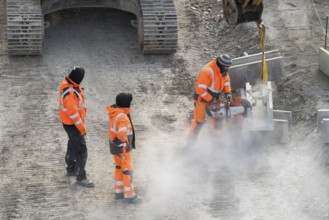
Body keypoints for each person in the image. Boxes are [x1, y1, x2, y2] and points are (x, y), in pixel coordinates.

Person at [58, 66, 94, 187]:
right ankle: (81, 177)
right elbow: (73, 113)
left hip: (68, 123)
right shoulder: (70, 92)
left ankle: (71, 168)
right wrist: (82, 128)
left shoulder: (70, 85)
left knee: (73, 144)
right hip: (73, 124)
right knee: (81, 149)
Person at [106, 93, 143, 203]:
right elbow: (122, 134)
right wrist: (126, 141)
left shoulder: (115, 113)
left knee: (119, 168)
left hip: (115, 148)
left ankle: (119, 192)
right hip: (122, 149)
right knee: (127, 170)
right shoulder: (122, 117)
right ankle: (129, 195)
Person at [189, 54, 233, 139]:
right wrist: (210, 99)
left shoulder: (223, 71)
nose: (228, 69)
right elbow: (200, 90)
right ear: (221, 65)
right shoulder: (207, 71)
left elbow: (226, 81)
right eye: (226, 67)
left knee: (218, 117)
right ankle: (191, 141)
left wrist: (228, 92)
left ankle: (216, 140)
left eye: (229, 67)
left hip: (214, 97)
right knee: (199, 121)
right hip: (201, 99)